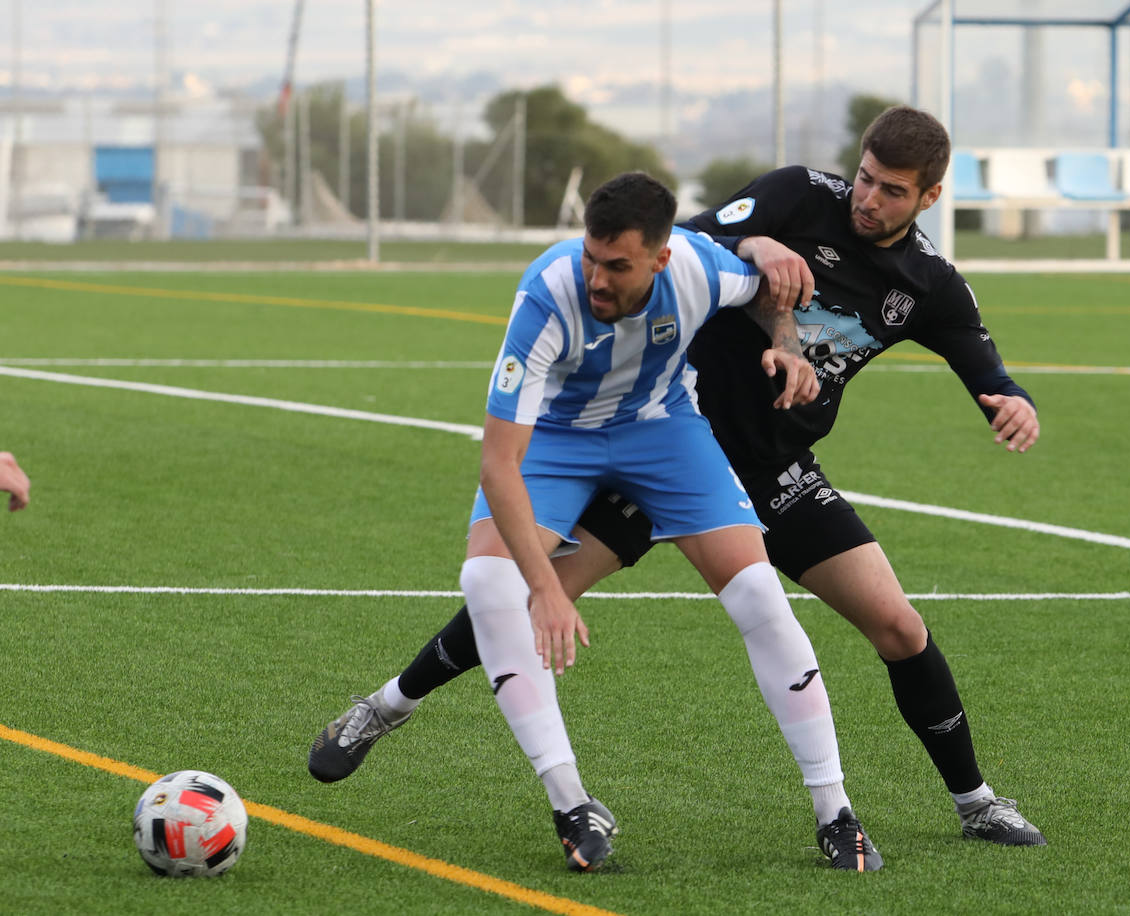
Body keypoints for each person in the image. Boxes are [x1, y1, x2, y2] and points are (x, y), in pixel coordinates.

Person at [312, 107, 1047, 849]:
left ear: (930, 197)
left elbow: (986, 367)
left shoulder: (930, 283)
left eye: (891, 190)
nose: (867, 198)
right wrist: (756, 239)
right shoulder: (796, 194)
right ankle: (388, 704)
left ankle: (976, 801)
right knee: (535, 596)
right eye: (864, 177)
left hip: (774, 469)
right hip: (665, 440)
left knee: (897, 625)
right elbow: (677, 240)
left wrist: (1010, 400)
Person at [313, 172, 882, 873]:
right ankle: (571, 804)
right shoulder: (548, 295)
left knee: (761, 594)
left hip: (663, 431)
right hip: (557, 439)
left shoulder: (700, 269)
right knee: (488, 584)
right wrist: (544, 589)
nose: (597, 279)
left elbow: (767, 292)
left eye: (617, 266)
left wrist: (788, 341)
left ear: (661, 259)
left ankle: (835, 811)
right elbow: (499, 464)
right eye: (592, 258)